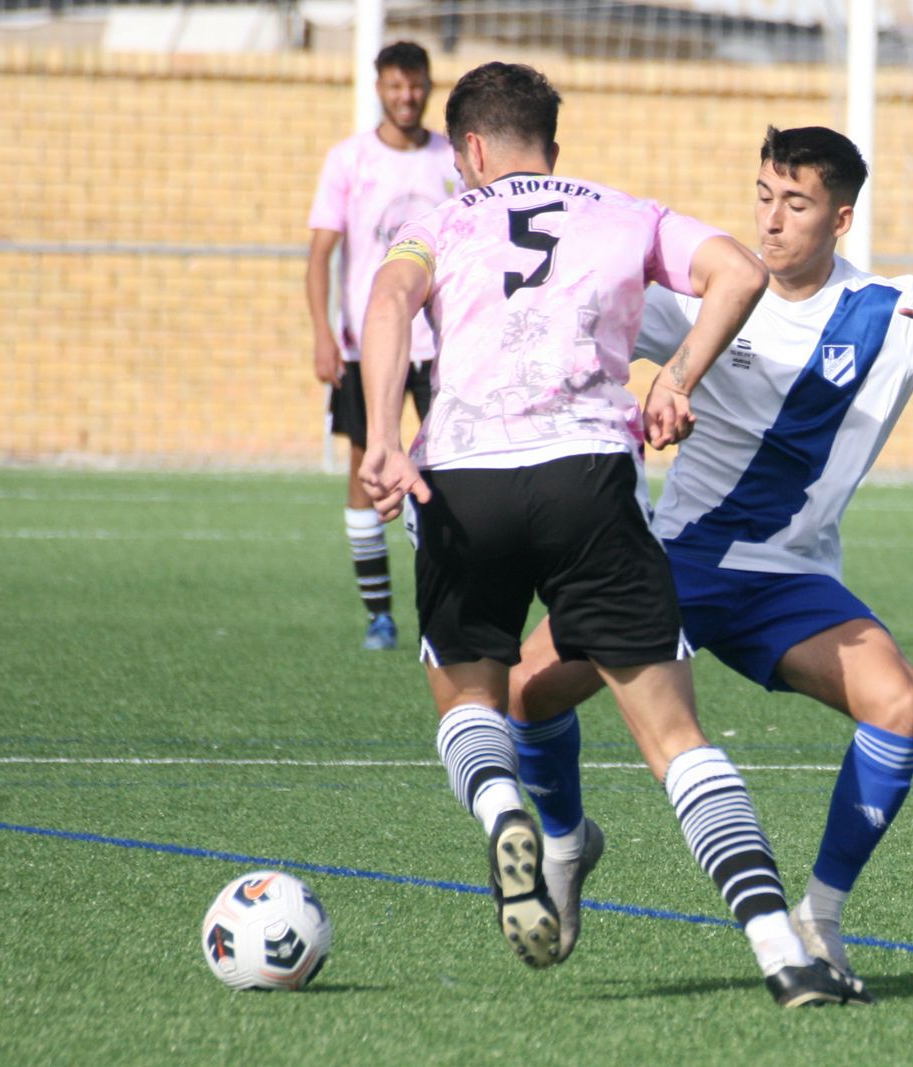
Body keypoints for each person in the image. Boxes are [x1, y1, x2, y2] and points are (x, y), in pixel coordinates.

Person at [358, 64, 867, 1008]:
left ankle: (506, 808)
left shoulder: (442, 220)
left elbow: (388, 304)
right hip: (588, 476)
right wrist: (673, 377)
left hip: (464, 475)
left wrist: (384, 439)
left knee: (472, 699)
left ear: (468, 149)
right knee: (675, 736)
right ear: (551, 138)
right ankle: (779, 951)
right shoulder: (622, 210)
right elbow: (740, 272)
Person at [503, 125, 913, 988]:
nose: (770, 219)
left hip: (789, 582)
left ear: (838, 219)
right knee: (522, 694)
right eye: (763, 195)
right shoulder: (707, 295)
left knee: (901, 703)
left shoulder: (892, 311)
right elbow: (588, 338)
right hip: (674, 563)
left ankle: (821, 916)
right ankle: (571, 841)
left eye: (794, 203)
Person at [306, 40, 456, 651]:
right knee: (365, 469)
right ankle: (379, 615)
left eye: (416, 85)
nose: (407, 96)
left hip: (445, 344)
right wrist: (323, 334)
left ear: (427, 86)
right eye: (396, 85)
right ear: (379, 86)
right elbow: (320, 256)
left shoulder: (451, 156)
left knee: (451, 471)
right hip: (372, 346)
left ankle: (446, 605)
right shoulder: (350, 160)